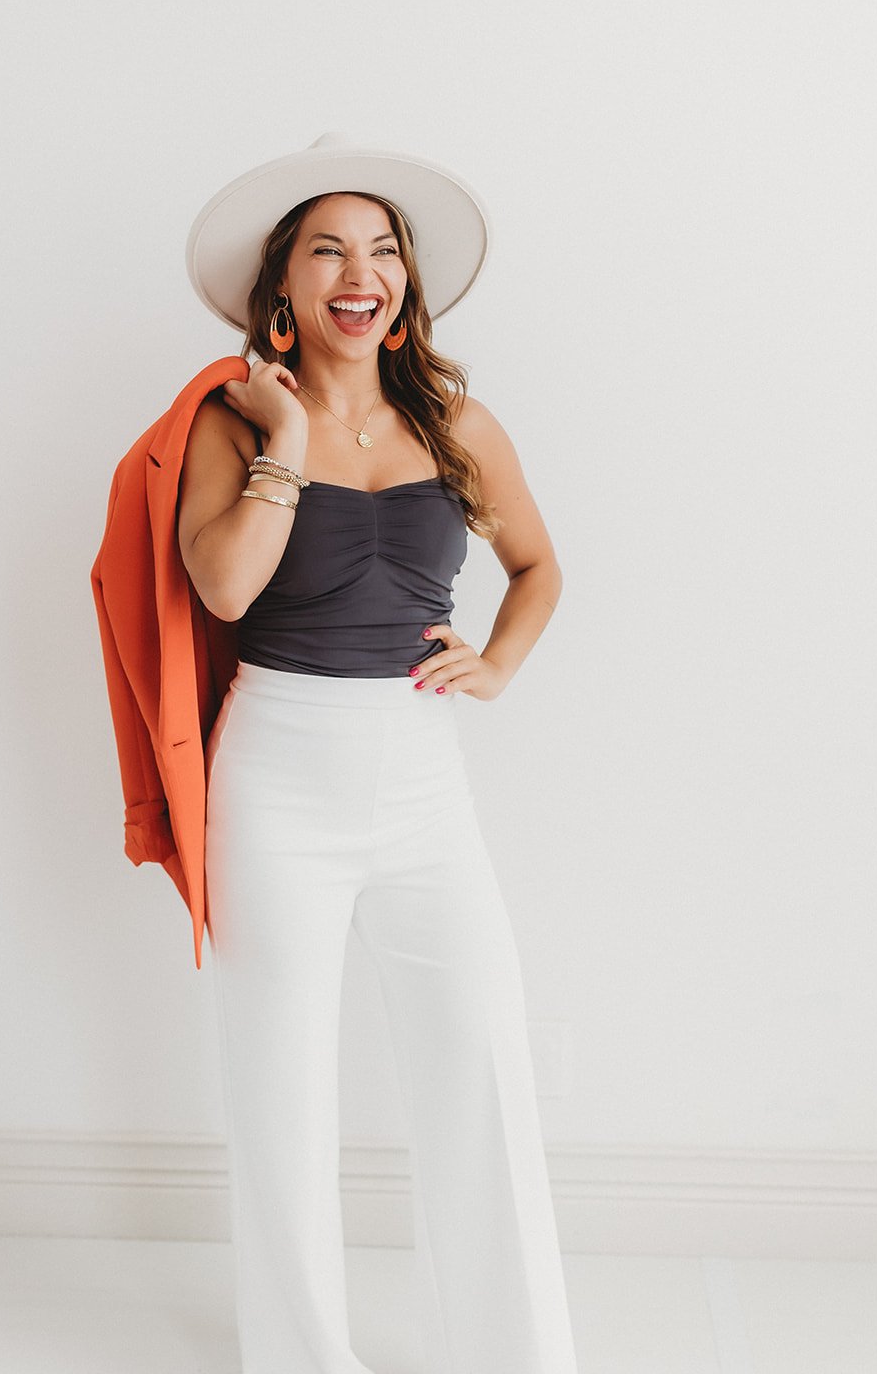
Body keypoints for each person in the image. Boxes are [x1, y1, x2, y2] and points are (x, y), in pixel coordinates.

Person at [176, 134, 579, 1374]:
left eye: (383, 250)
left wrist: (495, 662)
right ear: (281, 289)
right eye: (327, 251)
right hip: (275, 769)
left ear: (404, 282)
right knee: (279, 1081)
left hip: (420, 774)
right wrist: (285, 439)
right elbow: (225, 587)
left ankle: (513, 1351)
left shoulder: (454, 420)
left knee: (479, 1055)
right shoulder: (226, 424)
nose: (361, 273)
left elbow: (535, 565)